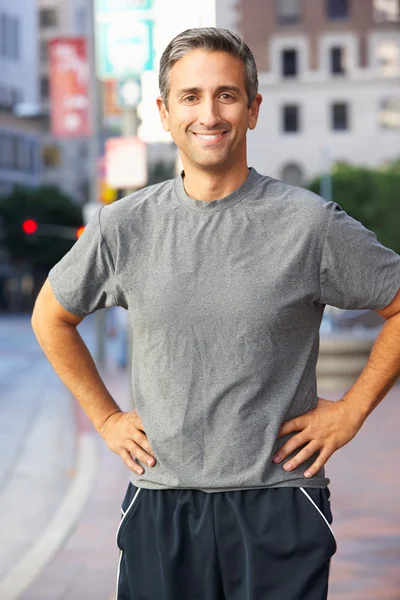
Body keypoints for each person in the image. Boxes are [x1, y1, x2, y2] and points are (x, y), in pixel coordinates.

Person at [31, 27, 400, 600]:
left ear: (253, 109)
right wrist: (105, 418)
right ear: (164, 112)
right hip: (161, 503)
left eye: (227, 94)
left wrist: (352, 411)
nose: (210, 112)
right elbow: (50, 318)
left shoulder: (309, 224)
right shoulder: (123, 227)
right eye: (191, 96)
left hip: (278, 500)